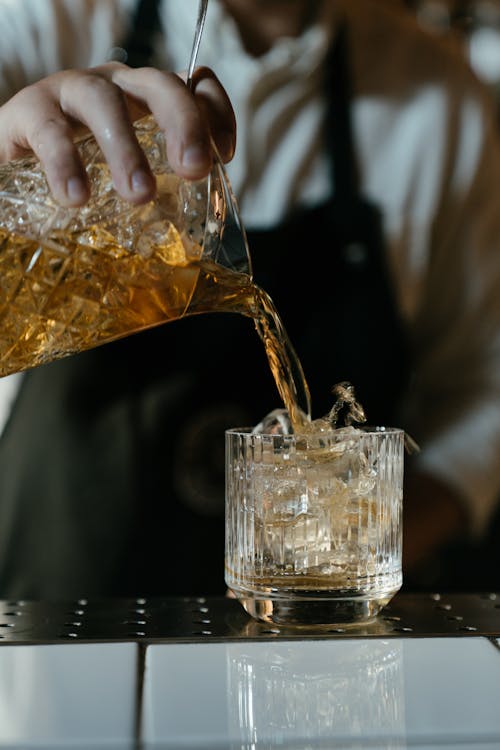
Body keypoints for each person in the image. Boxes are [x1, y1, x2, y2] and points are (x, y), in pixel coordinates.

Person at [0, 0, 499, 597]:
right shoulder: (36, 28)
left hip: (310, 662)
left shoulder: (443, 101)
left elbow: (483, 395)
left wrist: (350, 568)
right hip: (59, 634)